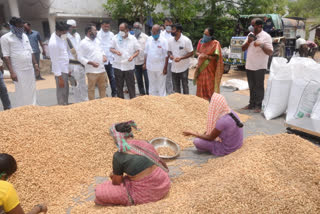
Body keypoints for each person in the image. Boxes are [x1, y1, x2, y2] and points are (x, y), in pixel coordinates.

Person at [95, 121, 170, 206]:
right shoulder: (144, 143)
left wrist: (113, 175)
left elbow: (116, 182)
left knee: (99, 192)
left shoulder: (119, 156)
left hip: (149, 192)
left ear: (116, 138)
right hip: (163, 183)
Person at [1, 17, 38, 107]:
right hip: (18, 69)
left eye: (22, 26)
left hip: (29, 67)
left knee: (32, 88)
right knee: (21, 90)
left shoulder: (24, 36)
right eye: (18, 26)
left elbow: (30, 51)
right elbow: (6, 56)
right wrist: (12, 72)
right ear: (12, 27)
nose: (21, 28)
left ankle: (33, 106)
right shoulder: (5, 38)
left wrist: (35, 64)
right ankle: (22, 109)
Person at [241, 18, 273, 113]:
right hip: (249, 65)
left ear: (259, 26)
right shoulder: (249, 35)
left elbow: (270, 52)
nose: (251, 27)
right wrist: (248, 42)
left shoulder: (266, 36)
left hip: (259, 66)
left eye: (253, 25)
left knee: (258, 86)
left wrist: (261, 45)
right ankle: (251, 104)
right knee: (251, 86)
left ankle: (258, 105)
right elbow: (243, 48)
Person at [110, 23, 140, 99]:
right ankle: (121, 103)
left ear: (127, 30)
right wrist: (116, 51)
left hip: (128, 66)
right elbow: (111, 48)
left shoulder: (133, 39)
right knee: (119, 86)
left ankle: (133, 101)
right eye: (119, 29)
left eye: (122, 30)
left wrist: (132, 57)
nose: (120, 31)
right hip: (118, 65)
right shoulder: (115, 38)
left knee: (131, 85)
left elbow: (137, 50)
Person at [78, 24, 107, 100]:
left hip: (101, 69)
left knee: (103, 88)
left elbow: (102, 50)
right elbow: (80, 57)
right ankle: (92, 105)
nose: (96, 32)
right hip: (91, 71)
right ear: (89, 32)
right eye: (94, 30)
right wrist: (91, 63)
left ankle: (103, 103)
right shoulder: (83, 43)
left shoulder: (97, 41)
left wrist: (104, 56)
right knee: (91, 89)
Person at [194, 27, 224, 101]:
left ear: (210, 35)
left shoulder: (215, 43)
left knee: (209, 84)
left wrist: (206, 56)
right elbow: (197, 52)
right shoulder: (201, 41)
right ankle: (201, 100)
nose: (204, 36)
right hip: (201, 66)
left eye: (206, 34)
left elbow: (217, 57)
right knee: (200, 83)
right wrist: (200, 55)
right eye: (204, 34)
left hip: (210, 67)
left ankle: (210, 101)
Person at [48, 21, 71, 105]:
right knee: (61, 91)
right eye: (65, 31)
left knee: (66, 89)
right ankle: (61, 107)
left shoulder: (61, 37)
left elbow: (65, 52)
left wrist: (68, 69)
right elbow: (54, 61)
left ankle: (66, 104)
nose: (66, 32)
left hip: (64, 68)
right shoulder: (53, 43)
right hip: (60, 71)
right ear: (59, 30)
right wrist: (60, 77)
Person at [168, 23, 193, 94]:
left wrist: (181, 58)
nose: (171, 31)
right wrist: (170, 55)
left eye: (173, 30)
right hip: (174, 68)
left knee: (185, 86)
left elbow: (191, 53)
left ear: (179, 31)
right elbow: (169, 51)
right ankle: (177, 103)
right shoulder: (170, 41)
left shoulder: (186, 40)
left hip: (184, 68)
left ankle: (186, 102)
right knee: (176, 87)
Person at [66, 19, 88, 103]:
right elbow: (64, 52)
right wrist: (67, 68)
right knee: (75, 84)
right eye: (72, 27)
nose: (74, 29)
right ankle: (77, 101)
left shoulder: (78, 35)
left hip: (80, 63)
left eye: (75, 27)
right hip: (72, 63)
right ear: (68, 27)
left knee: (82, 82)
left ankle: (85, 98)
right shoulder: (64, 37)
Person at [143, 24, 168, 96]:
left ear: (159, 32)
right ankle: (152, 100)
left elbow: (166, 56)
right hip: (150, 66)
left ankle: (162, 102)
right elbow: (146, 53)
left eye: (155, 32)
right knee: (151, 85)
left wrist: (165, 68)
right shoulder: (149, 39)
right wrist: (144, 63)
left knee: (161, 86)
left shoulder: (164, 41)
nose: (153, 33)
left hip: (160, 67)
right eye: (152, 31)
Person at [97, 20, 117, 97]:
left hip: (111, 59)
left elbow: (113, 46)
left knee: (112, 77)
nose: (106, 28)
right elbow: (98, 46)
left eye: (108, 26)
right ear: (102, 26)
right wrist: (103, 55)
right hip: (102, 59)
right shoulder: (98, 34)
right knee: (102, 78)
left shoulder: (111, 34)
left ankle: (114, 93)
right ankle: (103, 94)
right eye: (105, 26)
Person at [133, 22, 149, 95]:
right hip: (135, 63)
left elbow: (148, 51)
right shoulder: (131, 38)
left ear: (140, 28)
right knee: (139, 80)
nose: (135, 29)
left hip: (144, 63)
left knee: (147, 80)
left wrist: (145, 63)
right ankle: (142, 94)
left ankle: (148, 94)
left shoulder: (146, 37)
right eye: (134, 27)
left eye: (137, 28)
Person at [160, 18, 174, 95]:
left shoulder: (174, 33)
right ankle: (166, 93)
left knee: (171, 78)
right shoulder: (161, 34)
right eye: (166, 25)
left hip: (173, 59)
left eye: (169, 25)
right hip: (163, 59)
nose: (168, 26)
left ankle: (171, 92)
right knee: (164, 77)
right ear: (164, 25)